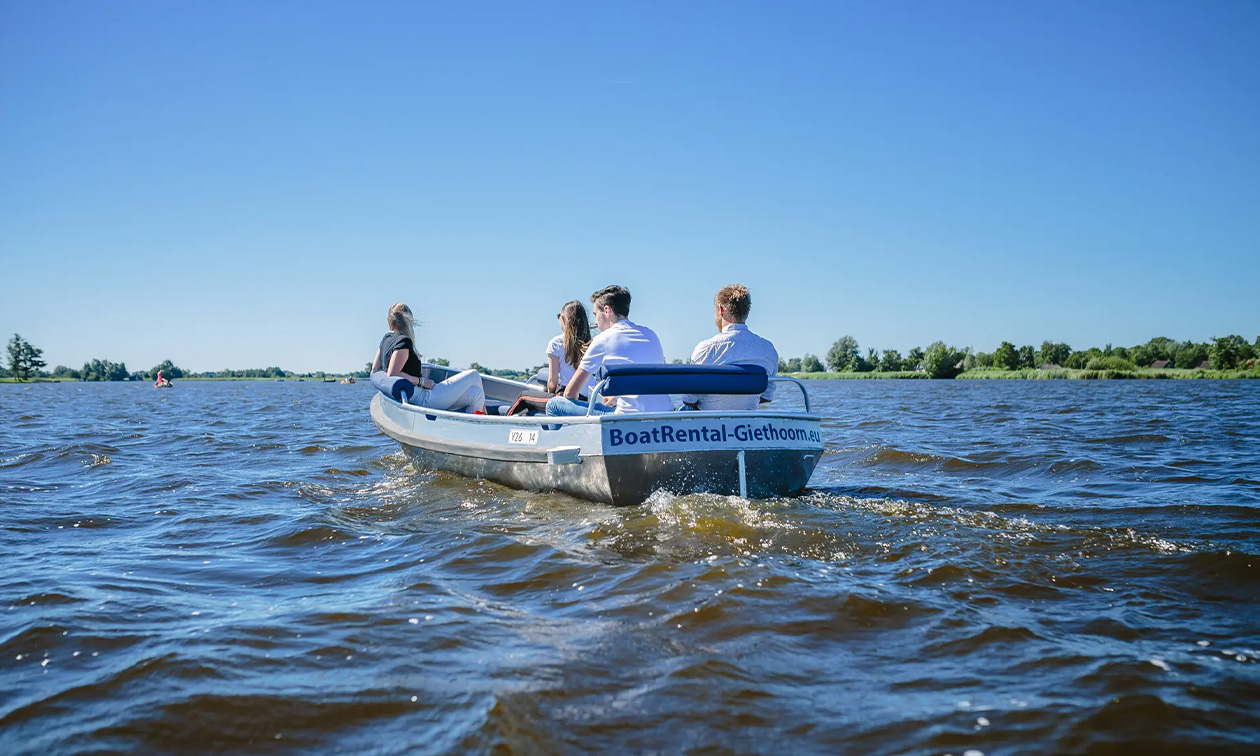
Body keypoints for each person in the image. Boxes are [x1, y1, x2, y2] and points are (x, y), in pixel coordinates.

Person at [546, 285, 671, 415]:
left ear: (607, 310)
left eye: (596, 314)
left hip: (625, 418)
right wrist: (616, 397)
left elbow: (570, 393)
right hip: (663, 413)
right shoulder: (651, 335)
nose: (595, 322)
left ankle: (564, 435)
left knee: (554, 405)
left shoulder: (603, 339)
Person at [371, 302, 485, 413]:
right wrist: (422, 382)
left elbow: (375, 368)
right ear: (408, 321)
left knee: (476, 394)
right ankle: (484, 415)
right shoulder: (403, 341)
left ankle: (473, 427)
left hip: (416, 397)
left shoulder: (385, 339)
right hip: (425, 399)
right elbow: (393, 374)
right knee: (474, 375)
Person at [679, 284, 779, 411]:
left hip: (709, 425)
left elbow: (688, 399)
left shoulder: (705, 349)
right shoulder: (768, 350)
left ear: (721, 310)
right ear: (746, 311)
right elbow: (767, 396)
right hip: (747, 425)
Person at [546, 301, 596, 399]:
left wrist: (549, 397)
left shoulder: (556, 343)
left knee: (523, 398)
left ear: (564, 319)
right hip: (590, 398)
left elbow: (552, 383)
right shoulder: (593, 343)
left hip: (568, 396)